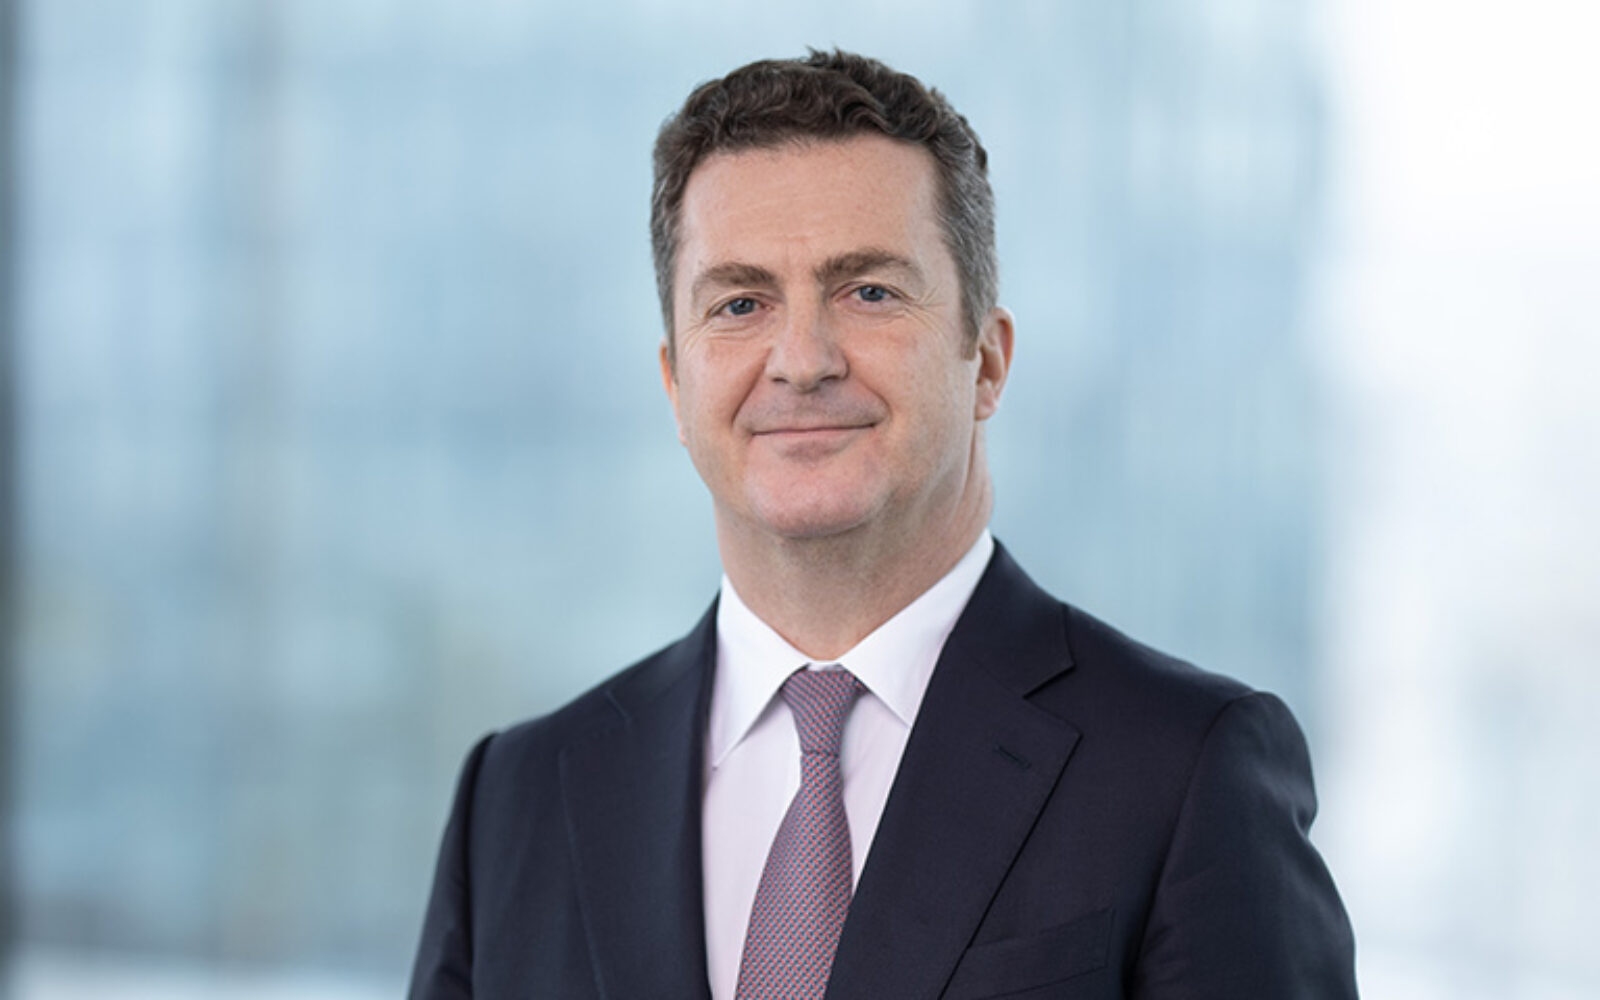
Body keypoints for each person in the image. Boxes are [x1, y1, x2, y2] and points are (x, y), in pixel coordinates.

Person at [409, 50, 1358, 1000]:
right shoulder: (519, 798)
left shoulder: (1186, 769)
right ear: (674, 383)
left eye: (868, 291)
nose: (802, 360)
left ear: (987, 361)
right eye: (740, 303)